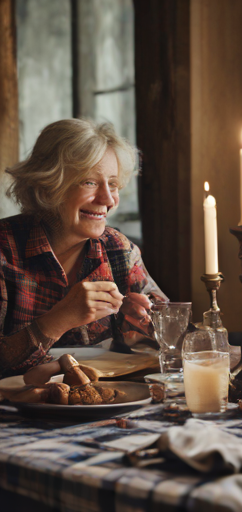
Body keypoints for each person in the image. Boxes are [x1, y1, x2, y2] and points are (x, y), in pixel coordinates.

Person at [0, 119, 166, 378]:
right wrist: (60, 319)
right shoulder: (4, 251)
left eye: (112, 183)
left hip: (106, 405)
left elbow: (175, 340)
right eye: (89, 182)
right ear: (48, 184)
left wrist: (147, 325)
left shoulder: (118, 249)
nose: (108, 199)